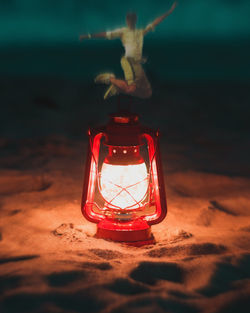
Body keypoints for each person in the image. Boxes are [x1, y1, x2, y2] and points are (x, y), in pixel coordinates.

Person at [80, 2, 177, 100]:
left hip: (137, 64)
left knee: (147, 93)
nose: (130, 21)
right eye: (129, 19)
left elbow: (155, 22)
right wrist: (88, 35)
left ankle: (118, 87)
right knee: (131, 88)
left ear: (135, 20)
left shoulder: (140, 32)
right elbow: (106, 34)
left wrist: (169, 12)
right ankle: (110, 78)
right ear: (127, 20)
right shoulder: (123, 31)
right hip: (128, 61)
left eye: (132, 19)